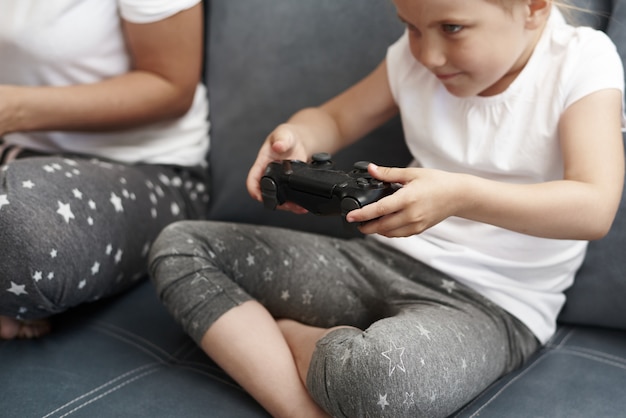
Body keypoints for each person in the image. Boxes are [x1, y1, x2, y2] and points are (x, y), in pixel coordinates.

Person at [149, 0, 625, 416]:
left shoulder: (581, 61)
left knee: (374, 382)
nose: (428, 55)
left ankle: (274, 336)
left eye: (452, 28)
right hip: (377, 261)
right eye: (411, 26)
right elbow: (334, 118)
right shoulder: (413, 58)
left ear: (533, 6)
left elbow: (593, 205)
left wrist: (460, 195)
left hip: (492, 306)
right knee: (181, 245)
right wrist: (298, 138)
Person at [0, 0, 211, 340]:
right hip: (17, 154)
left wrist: (14, 109)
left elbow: (172, 86)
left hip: (143, 169)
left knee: (16, 228)